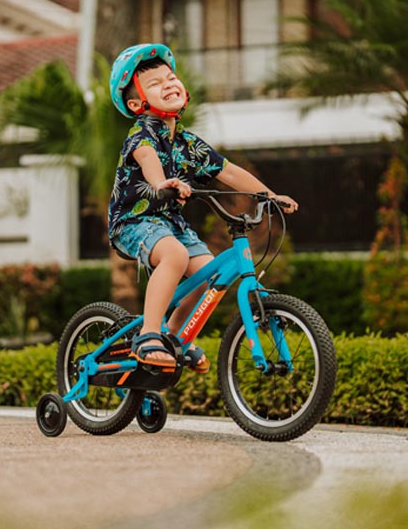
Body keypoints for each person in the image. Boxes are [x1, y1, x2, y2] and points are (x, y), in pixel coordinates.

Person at [108, 43, 298, 371]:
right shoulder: (141, 133)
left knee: (209, 273)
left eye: (170, 77)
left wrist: (269, 195)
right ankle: (149, 334)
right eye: (154, 83)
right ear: (137, 103)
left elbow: (228, 172)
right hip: (134, 220)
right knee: (175, 256)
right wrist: (161, 184)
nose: (167, 84)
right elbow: (148, 159)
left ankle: (175, 336)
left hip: (170, 224)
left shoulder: (188, 143)